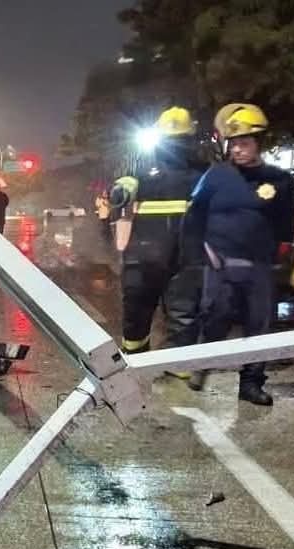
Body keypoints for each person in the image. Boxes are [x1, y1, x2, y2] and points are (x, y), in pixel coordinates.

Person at [181, 103, 294, 405]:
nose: (237, 150)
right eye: (233, 144)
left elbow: (288, 224)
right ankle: (201, 367)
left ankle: (251, 384)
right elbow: (193, 217)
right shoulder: (216, 176)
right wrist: (200, 255)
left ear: (259, 144)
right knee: (214, 318)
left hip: (260, 267)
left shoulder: (280, 181)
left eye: (244, 143)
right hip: (218, 263)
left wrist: (288, 257)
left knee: (258, 327)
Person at [107, 106, 209, 372]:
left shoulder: (205, 176)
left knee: (182, 316)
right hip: (147, 261)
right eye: (171, 141)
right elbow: (119, 196)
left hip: (181, 262)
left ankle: (178, 370)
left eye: (179, 141)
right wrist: (122, 189)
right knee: (139, 316)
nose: (175, 147)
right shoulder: (140, 175)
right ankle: (136, 364)